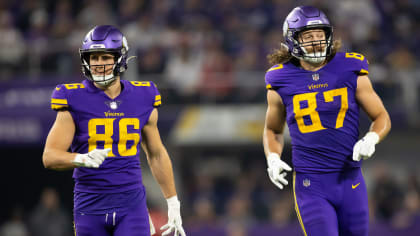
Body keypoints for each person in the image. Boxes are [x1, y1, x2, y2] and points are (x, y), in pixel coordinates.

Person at [42, 25, 186, 236]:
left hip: (131, 203)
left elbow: (156, 153)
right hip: (90, 204)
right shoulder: (73, 98)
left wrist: (172, 201)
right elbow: (49, 156)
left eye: (105, 57)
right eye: (93, 58)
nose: (99, 64)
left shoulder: (143, 96)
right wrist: (81, 158)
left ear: (120, 58)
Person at [263, 6, 391, 236]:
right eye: (308, 36)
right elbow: (272, 129)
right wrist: (272, 157)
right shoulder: (280, 78)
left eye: (320, 35)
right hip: (311, 185)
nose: (316, 42)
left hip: (350, 179)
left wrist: (372, 137)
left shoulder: (349, 68)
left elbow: (381, 116)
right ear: (292, 40)